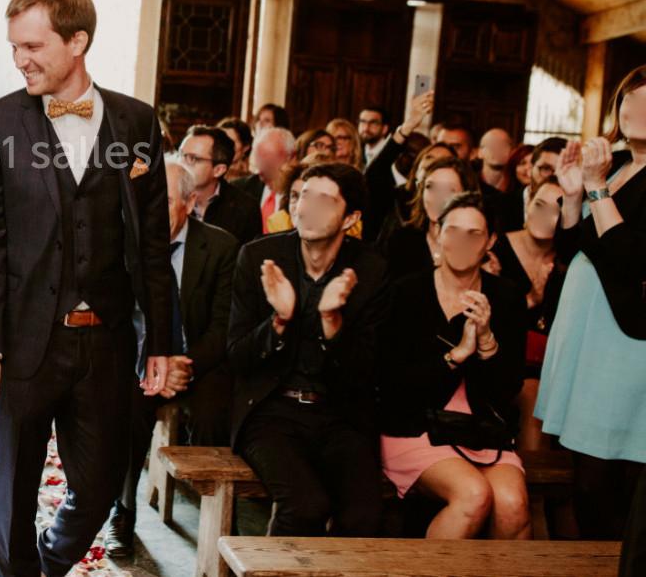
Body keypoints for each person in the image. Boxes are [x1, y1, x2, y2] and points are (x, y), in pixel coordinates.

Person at [0, 0, 172, 577]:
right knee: (13, 497)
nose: (20, 60)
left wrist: (160, 339)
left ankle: (47, 568)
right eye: (14, 48)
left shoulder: (136, 122)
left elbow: (153, 245)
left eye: (34, 47)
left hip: (105, 345)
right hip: (25, 341)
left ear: (77, 42)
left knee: (102, 485)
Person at [228, 163, 387, 536]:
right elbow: (237, 356)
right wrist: (280, 322)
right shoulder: (258, 258)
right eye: (302, 197)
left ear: (351, 218)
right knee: (304, 506)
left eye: (324, 200)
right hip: (272, 410)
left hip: (340, 413)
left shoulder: (371, 270)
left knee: (364, 516)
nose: (306, 208)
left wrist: (333, 326)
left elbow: (368, 373)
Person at [379, 192, 530, 539]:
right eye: (452, 231)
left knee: (512, 503)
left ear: (490, 241)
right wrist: (456, 355)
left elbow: (507, 390)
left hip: (481, 429)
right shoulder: (405, 293)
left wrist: (488, 342)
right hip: (414, 427)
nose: (460, 242)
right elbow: (392, 385)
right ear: (438, 234)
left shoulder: (506, 297)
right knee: (473, 495)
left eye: (473, 234)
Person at [106, 161, 237, 561]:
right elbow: (119, 321)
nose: (149, 210)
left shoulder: (221, 247)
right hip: (143, 361)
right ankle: (122, 514)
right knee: (128, 411)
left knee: (218, 411)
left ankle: (218, 525)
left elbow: (223, 327)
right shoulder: (122, 245)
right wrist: (154, 363)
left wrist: (184, 364)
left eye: (160, 201)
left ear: (189, 202)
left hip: (199, 362)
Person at [537, 65, 646, 545]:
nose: (635, 111)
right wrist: (574, 193)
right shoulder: (619, 164)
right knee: (583, 464)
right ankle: (596, 557)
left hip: (623, 335)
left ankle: (614, 558)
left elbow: (628, 258)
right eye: (629, 101)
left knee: (605, 474)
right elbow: (575, 247)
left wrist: (597, 188)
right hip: (585, 330)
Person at [485, 177, 565, 451]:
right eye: (539, 205)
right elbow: (489, 318)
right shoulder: (495, 251)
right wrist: (531, 299)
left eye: (555, 210)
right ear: (527, 205)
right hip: (505, 356)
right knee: (533, 393)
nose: (544, 216)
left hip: (553, 363)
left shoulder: (570, 261)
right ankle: (533, 480)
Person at [383, 157, 478, 277]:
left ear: (466, 196)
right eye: (431, 187)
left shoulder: (476, 245)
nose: (438, 196)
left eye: (449, 190)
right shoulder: (402, 240)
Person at [362, 92, 435, 241]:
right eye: (405, 151)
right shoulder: (388, 190)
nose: (409, 157)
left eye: (416, 154)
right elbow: (375, 171)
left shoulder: (427, 198)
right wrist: (407, 127)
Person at [178, 124, 261, 246]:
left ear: (218, 170)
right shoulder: (165, 198)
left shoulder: (244, 209)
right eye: (180, 155)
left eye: (192, 158)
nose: (181, 164)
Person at [235, 126, 296, 233]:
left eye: (270, 161)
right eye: (259, 159)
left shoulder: (299, 194)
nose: (262, 168)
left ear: (291, 157)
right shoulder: (240, 189)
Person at [497, 137, 566, 233]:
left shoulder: (575, 211)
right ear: (531, 168)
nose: (553, 177)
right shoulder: (499, 204)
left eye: (562, 171)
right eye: (546, 169)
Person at [477, 128, 514, 193]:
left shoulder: (519, 187)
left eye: (503, 145)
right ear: (479, 152)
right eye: (491, 145)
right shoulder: (468, 184)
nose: (497, 149)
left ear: (511, 151)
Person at [219, 117, 253, 181]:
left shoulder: (252, 182)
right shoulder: (208, 175)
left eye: (230, 142)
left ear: (246, 147)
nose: (224, 146)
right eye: (221, 140)